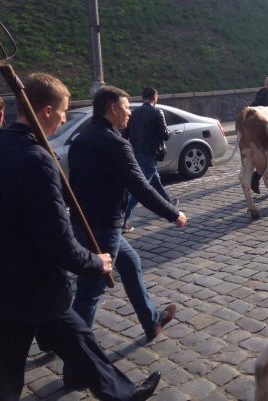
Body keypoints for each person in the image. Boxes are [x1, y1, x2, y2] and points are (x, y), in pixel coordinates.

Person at [0, 73, 161, 401]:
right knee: (69, 342)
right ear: (45, 111)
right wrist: (96, 262)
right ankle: (122, 394)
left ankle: (122, 393)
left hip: (7, 284)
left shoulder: (3, 145)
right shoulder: (37, 160)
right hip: (36, 286)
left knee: (71, 345)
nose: (63, 119)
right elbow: (56, 242)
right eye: (62, 112)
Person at [67, 86, 188, 349]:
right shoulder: (116, 143)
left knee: (131, 262)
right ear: (112, 109)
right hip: (104, 227)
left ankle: (151, 320)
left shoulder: (81, 139)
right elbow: (142, 187)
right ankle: (75, 365)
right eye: (125, 108)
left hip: (84, 223)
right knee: (90, 292)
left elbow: (73, 185)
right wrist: (173, 213)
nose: (129, 114)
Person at [122, 87, 176, 233]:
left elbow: (125, 134)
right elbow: (164, 135)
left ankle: (169, 204)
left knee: (155, 182)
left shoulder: (134, 113)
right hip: (150, 154)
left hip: (136, 153)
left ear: (142, 97)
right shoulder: (157, 112)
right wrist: (170, 131)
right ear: (155, 97)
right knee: (140, 189)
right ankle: (123, 220)